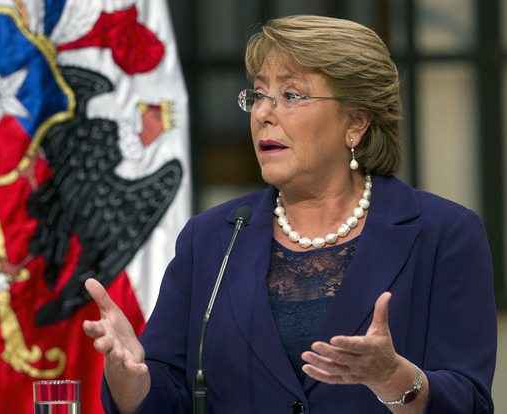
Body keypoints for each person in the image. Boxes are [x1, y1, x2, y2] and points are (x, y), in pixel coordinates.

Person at [82, 15, 497, 413]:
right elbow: (170, 396)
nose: (263, 113)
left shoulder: (443, 234)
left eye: (291, 95)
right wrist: (132, 382)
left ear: (355, 122)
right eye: (259, 94)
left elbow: (470, 402)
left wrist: (393, 377)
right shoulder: (211, 239)